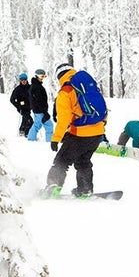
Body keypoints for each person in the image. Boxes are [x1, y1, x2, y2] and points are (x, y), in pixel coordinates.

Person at [45, 62, 107, 197]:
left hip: (80, 134)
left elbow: (64, 119)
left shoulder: (66, 91)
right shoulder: (87, 86)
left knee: (61, 161)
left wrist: (56, 138)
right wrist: (101, 127)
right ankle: (85, 190)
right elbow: (102, 109)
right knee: (83, 162)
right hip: (97, 133)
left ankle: (52, 188)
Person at [26, 68, 54, 141]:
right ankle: (49, 141)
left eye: (44, 76)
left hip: (38, 111)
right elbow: (38, 101)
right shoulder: (36, 87)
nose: (42, 78)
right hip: (40, 111)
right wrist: (44, 112)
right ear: (36, 76)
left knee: (37, 125)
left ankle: (31, 139)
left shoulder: (35, 86)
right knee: (49, 126)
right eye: (41, 76)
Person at [9, 72, 33, 137]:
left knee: (25, 119)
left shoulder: (30, 87)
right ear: (20, 80)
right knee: (29, 120)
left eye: (25, 79)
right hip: (22, 108)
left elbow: (35, 96)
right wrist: (18, 106)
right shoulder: (18, 89)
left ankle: (22, 130)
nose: (23, 81)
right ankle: (27, 133)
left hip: (29, 107)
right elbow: (12, 99)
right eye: (22, 80)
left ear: (27, 79)